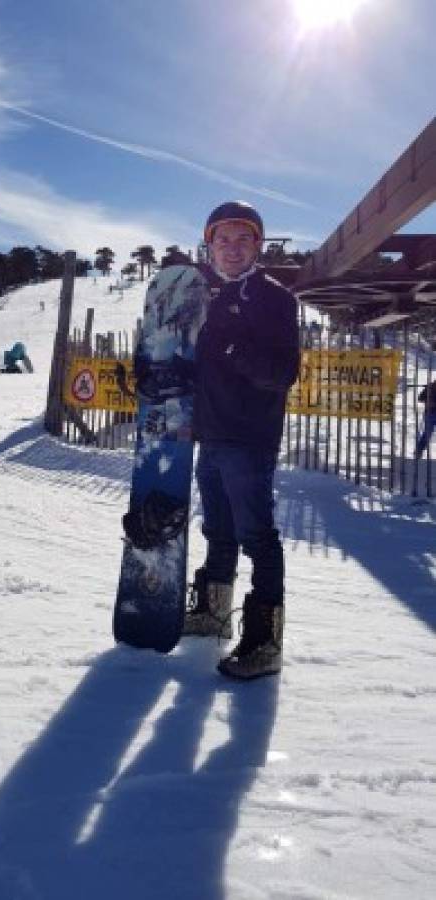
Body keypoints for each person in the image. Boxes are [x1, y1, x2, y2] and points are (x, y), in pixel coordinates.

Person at [184, 201, 300, 680]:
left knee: (257, 536)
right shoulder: (203, 294)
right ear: (209, 244)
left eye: (242, 238)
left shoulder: (275, 299)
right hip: (210, 436)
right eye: (222, 239)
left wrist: (235, 346)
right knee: (218, 531)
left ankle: (264, 642)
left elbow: (281, 374)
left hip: (249, 438)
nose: (231, 248)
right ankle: (213, 613)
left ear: (258, 245)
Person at [416, 379, 436, 459]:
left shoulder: (429, 386)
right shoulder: (429, 387)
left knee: (427, 434)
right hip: (430, 413)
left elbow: (420, 398)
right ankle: (418, 451)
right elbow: (420, 398)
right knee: (427, 434)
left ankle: (418, 451)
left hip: (429, 413)